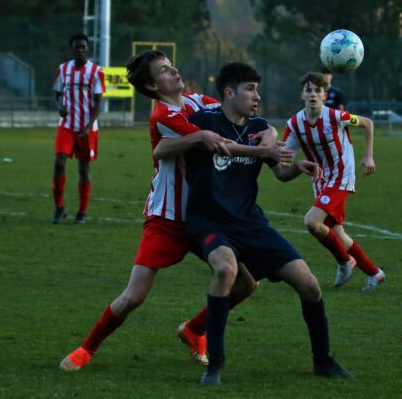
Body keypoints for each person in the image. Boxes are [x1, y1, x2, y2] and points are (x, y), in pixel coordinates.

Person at [59, 50, 288, 372]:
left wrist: (270, 131)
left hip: (206, 216)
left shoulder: (197, 102)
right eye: (165, 71)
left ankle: (194, 330)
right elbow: (218, 141)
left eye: (171, 66)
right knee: (133, 296)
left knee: (246, 284)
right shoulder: (162, 115)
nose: (175, 71)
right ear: (153, 86)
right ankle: (87, 348)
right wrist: (262, 148)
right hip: (167, 219)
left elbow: (236, 110)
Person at [183, 62, 353, 385]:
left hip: (250, 222)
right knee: (225, 270)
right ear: (229, 92)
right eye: (250, 89)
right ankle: (215, 364)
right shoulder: (204, 121)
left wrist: (298, 165)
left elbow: (279, 172)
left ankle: (323, 361)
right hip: (209, 221)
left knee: (310, 285)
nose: (257, 96)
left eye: (258, 89)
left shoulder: (259, 126)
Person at [283, 72, 386, 291]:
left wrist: (368, 156)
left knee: (312, 222)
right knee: (337, 233)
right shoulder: (294, 124)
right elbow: (284, 157)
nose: (313, 94)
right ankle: (374, 273)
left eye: (317, 90)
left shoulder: (337, 116)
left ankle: (344, 262)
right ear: (302, 94)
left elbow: (367, 123)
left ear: (324, 94)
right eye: (308, 90)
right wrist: (263, 150)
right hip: (321, 181)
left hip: (342, 175)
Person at [51, 33, 105, 224]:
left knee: (83, 169)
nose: (80, 50)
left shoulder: (96, 71)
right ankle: (59, 209)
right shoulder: (63, 69)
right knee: (59, 163)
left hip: (87, 126)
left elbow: (99, 104)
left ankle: (82, 212)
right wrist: (59, 107)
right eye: (77, 47)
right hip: (66, 125)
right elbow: (57, 94)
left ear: (87, 48)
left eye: (83, 46)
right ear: (71, 49)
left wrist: (88, 126)